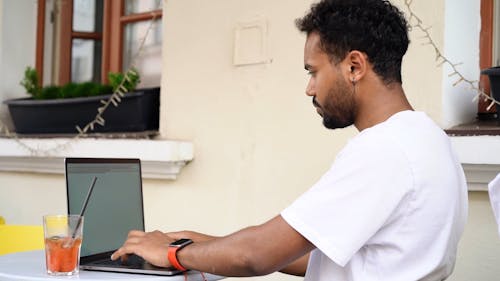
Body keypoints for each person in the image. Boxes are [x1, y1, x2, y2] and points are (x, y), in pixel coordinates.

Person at [111, 0, 468, 280]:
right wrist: (204, 243)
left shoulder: (383, 149)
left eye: (313, 71)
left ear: (354, 67)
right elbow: (322, 256)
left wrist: (172, 253)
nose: (309, 88)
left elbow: (255, 256)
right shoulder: (429, 140)